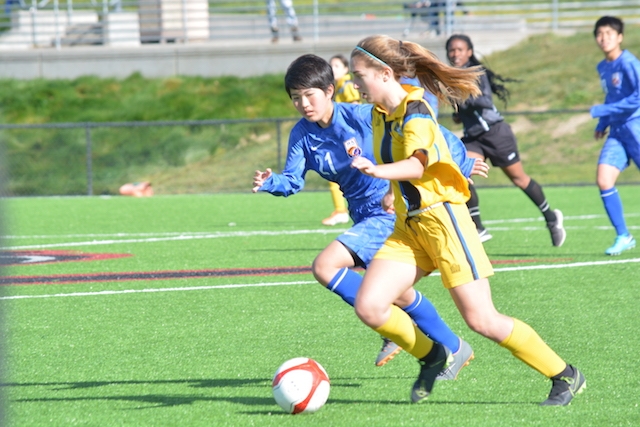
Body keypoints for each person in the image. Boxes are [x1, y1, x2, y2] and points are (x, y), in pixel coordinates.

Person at [349, 35, 585, 405]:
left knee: (482, 320)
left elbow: (417, 164)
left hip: (445, 224)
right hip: (409, 229)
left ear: (383, 73)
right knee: (370, 305)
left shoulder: (415, 111)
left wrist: (378, 171)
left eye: (358, 76)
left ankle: (565, 375)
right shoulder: (381, 113)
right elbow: (439, 146)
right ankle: (434, 355)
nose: (354, 84)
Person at [252, 53, 484, 375]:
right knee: (401, 295)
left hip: (389, 210)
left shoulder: (361, 116)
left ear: (329, 91)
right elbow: (292, 181)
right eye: (295, 98)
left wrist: (461, 162)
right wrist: (271, 182)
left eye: (309, 95)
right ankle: (455, 348)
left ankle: (399, 332)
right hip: (363, 216)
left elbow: (432, 132)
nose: (303, 104)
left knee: (325, 265)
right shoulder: (302, 135)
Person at [445, 34, 566, 247]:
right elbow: (462, 110)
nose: (455, 54)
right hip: (473, 138)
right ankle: (478, 227)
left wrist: (462, 99)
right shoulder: (451, 77)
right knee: (461, 173)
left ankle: (551, 217)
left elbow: (484, 101)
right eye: (452, 50)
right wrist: (458, 112)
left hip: (495, 133)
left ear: (469, 52)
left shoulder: (476, 73)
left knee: (519, 179)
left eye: (460, 49)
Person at [590, 16, 639, 256]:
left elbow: (638, 97)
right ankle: (624, 236)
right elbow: (612, 97)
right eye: (600, 34)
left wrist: (604, 110)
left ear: (620, 37)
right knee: (604, 179)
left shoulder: (629, 63)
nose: (604, 38)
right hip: (617, 132)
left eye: (609, 33)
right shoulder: (603, 67)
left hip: (636, 126)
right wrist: (603, 123)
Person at [321, 54, 361, 227]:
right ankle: (341, 210)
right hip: (344, 138)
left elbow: (355, 107)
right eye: (331, 66)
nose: (333, 69)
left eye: (337, 66)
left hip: (350, 139)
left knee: (343, 171)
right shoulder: (336, 87)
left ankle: (342, 211)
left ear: (346, 69)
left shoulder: (346, 85)